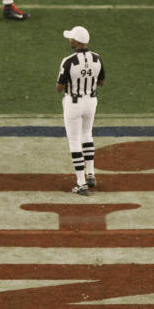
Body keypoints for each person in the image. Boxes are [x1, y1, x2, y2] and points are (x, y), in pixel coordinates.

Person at [56, 26, 105, 196]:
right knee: (87, 135)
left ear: (77, 42)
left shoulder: (68, 61)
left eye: (71, 38)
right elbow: (102, 82)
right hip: (91, 101)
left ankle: (81, 183)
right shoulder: (97, 59)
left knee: (74, 141)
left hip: (74, 102)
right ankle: (90, 174)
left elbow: (59, 87)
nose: (69, 40)